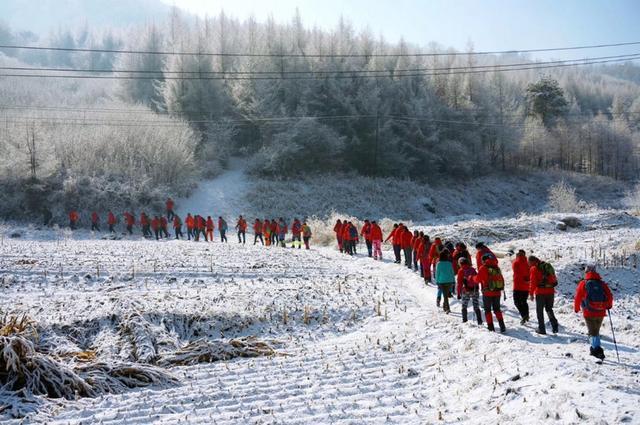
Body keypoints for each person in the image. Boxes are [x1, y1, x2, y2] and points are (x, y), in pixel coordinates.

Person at [574, 264, 614, 360]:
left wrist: (576, 308)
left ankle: (598, 351)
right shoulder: (602, 284)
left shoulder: (583, 283)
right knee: (595, 330)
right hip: (601, 311)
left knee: (592, 332)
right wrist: (608, 305)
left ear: (586, 272)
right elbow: (609, 295)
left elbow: (578, 297)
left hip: (589, 311)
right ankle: (593, 349)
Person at [475, 253, 506, 332]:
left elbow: (477, 279)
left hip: (487, 292)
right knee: (497, 309)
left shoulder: (483, 268)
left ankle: (491, 327)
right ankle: (502, 326)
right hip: (497, 292)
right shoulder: (496, 267)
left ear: (484, 260)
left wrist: (472, 277)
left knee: (488, 310)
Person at [528, 256, 559, 335]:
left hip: (540, 292)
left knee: (539, 311)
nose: (528, 264)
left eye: (529, 262)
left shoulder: (534, 269)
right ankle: (554, 324)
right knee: (549, 309)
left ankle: (541, 329)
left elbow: (533, 282)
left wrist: (531, 293)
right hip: (550, 291)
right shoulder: (547, 266)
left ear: (532, 262)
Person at [456, 257, 482, 325]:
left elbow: (459, 283)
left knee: (464, 305)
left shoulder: (461, 271)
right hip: (474, 290)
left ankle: (465, 320)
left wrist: (458, 293)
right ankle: (479, 321)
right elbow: (477, 279)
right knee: (476, 305)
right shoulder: (473, 269)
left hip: (466, 290)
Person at [512, 250, 531, 324]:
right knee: (524, 301)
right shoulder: (528, 263)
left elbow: (514, 270)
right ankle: (527, 315)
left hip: (517, 286)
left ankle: (524, 315)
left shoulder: (516, 263)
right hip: (526, 286)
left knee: (516, 302)